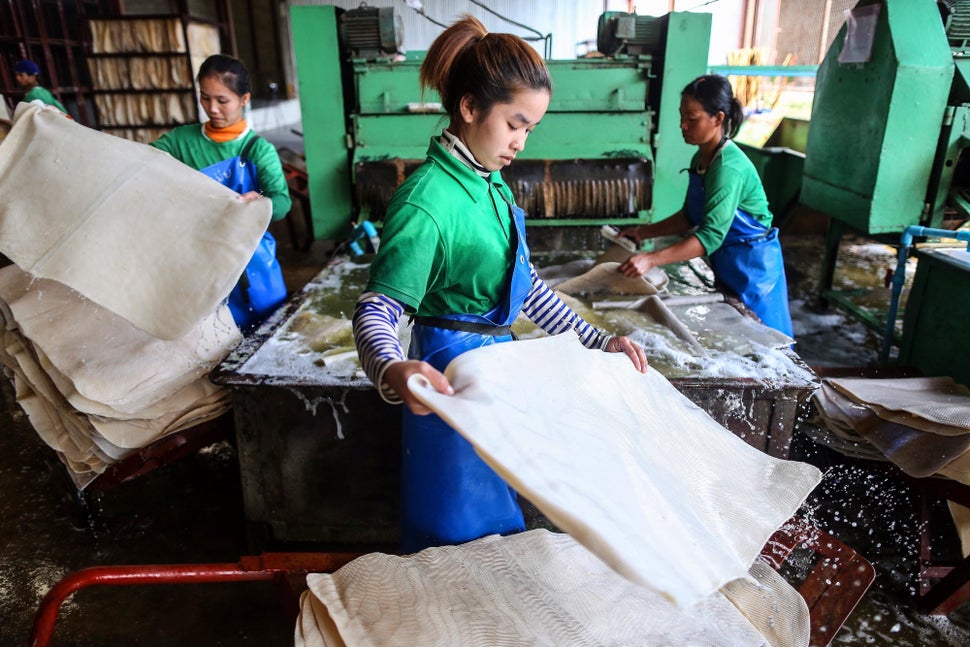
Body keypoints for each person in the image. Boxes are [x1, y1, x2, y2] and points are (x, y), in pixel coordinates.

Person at [352, 16, 648, 554]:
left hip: (496, 376)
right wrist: (395, 369)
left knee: (499, 535)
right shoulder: (427, 202)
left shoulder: (490, 187)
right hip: (448, 386)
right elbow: (376, 311)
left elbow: (527, 290)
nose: (520, 142)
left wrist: (600, 342)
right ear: (469, 108)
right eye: (515, 124)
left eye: (530, 129)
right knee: (453, 538)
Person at [617, 74, 793, 336]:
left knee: (768, 344)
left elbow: (709, 236)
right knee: (737, 336)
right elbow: (691, 216)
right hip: (728, 261)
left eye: (692, 118)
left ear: (718, 118)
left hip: (754, 270)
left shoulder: (728, 168)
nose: (683, 125)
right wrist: (643, 232)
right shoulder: (703, 156)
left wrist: (651, 259)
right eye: (681, 116)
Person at [150, 54, 291, 331]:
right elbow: (139, 161)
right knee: (208, 333)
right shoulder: (180, 141)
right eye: (205, 98)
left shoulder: (258, 150)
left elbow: (283, 203)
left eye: (222, 100)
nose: (212, 108)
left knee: (267, 331)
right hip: (199, 258)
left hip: (250, 260)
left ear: (244, 99)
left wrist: (261, 202)